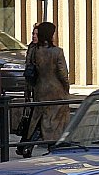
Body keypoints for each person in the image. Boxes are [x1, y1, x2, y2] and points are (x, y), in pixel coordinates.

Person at [24, 21, 70, 146]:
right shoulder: (57, 52)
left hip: (40, 89)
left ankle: (27, 145)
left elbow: (29, 70)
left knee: (39, 119)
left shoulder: (34, 51)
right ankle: (54, 144)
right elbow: (63, 73)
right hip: (56, 91)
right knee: (56, 121)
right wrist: (66, 88)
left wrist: (29, 89)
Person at [16, 24, 39, 157]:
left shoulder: (38, 48)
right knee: (36, 121)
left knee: (35, 120)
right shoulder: (33, 47)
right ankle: (26, 147)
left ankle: (23, 146)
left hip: (37, 88)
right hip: (35, 88)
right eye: (32, 34)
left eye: (36, 34)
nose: (34, 36)